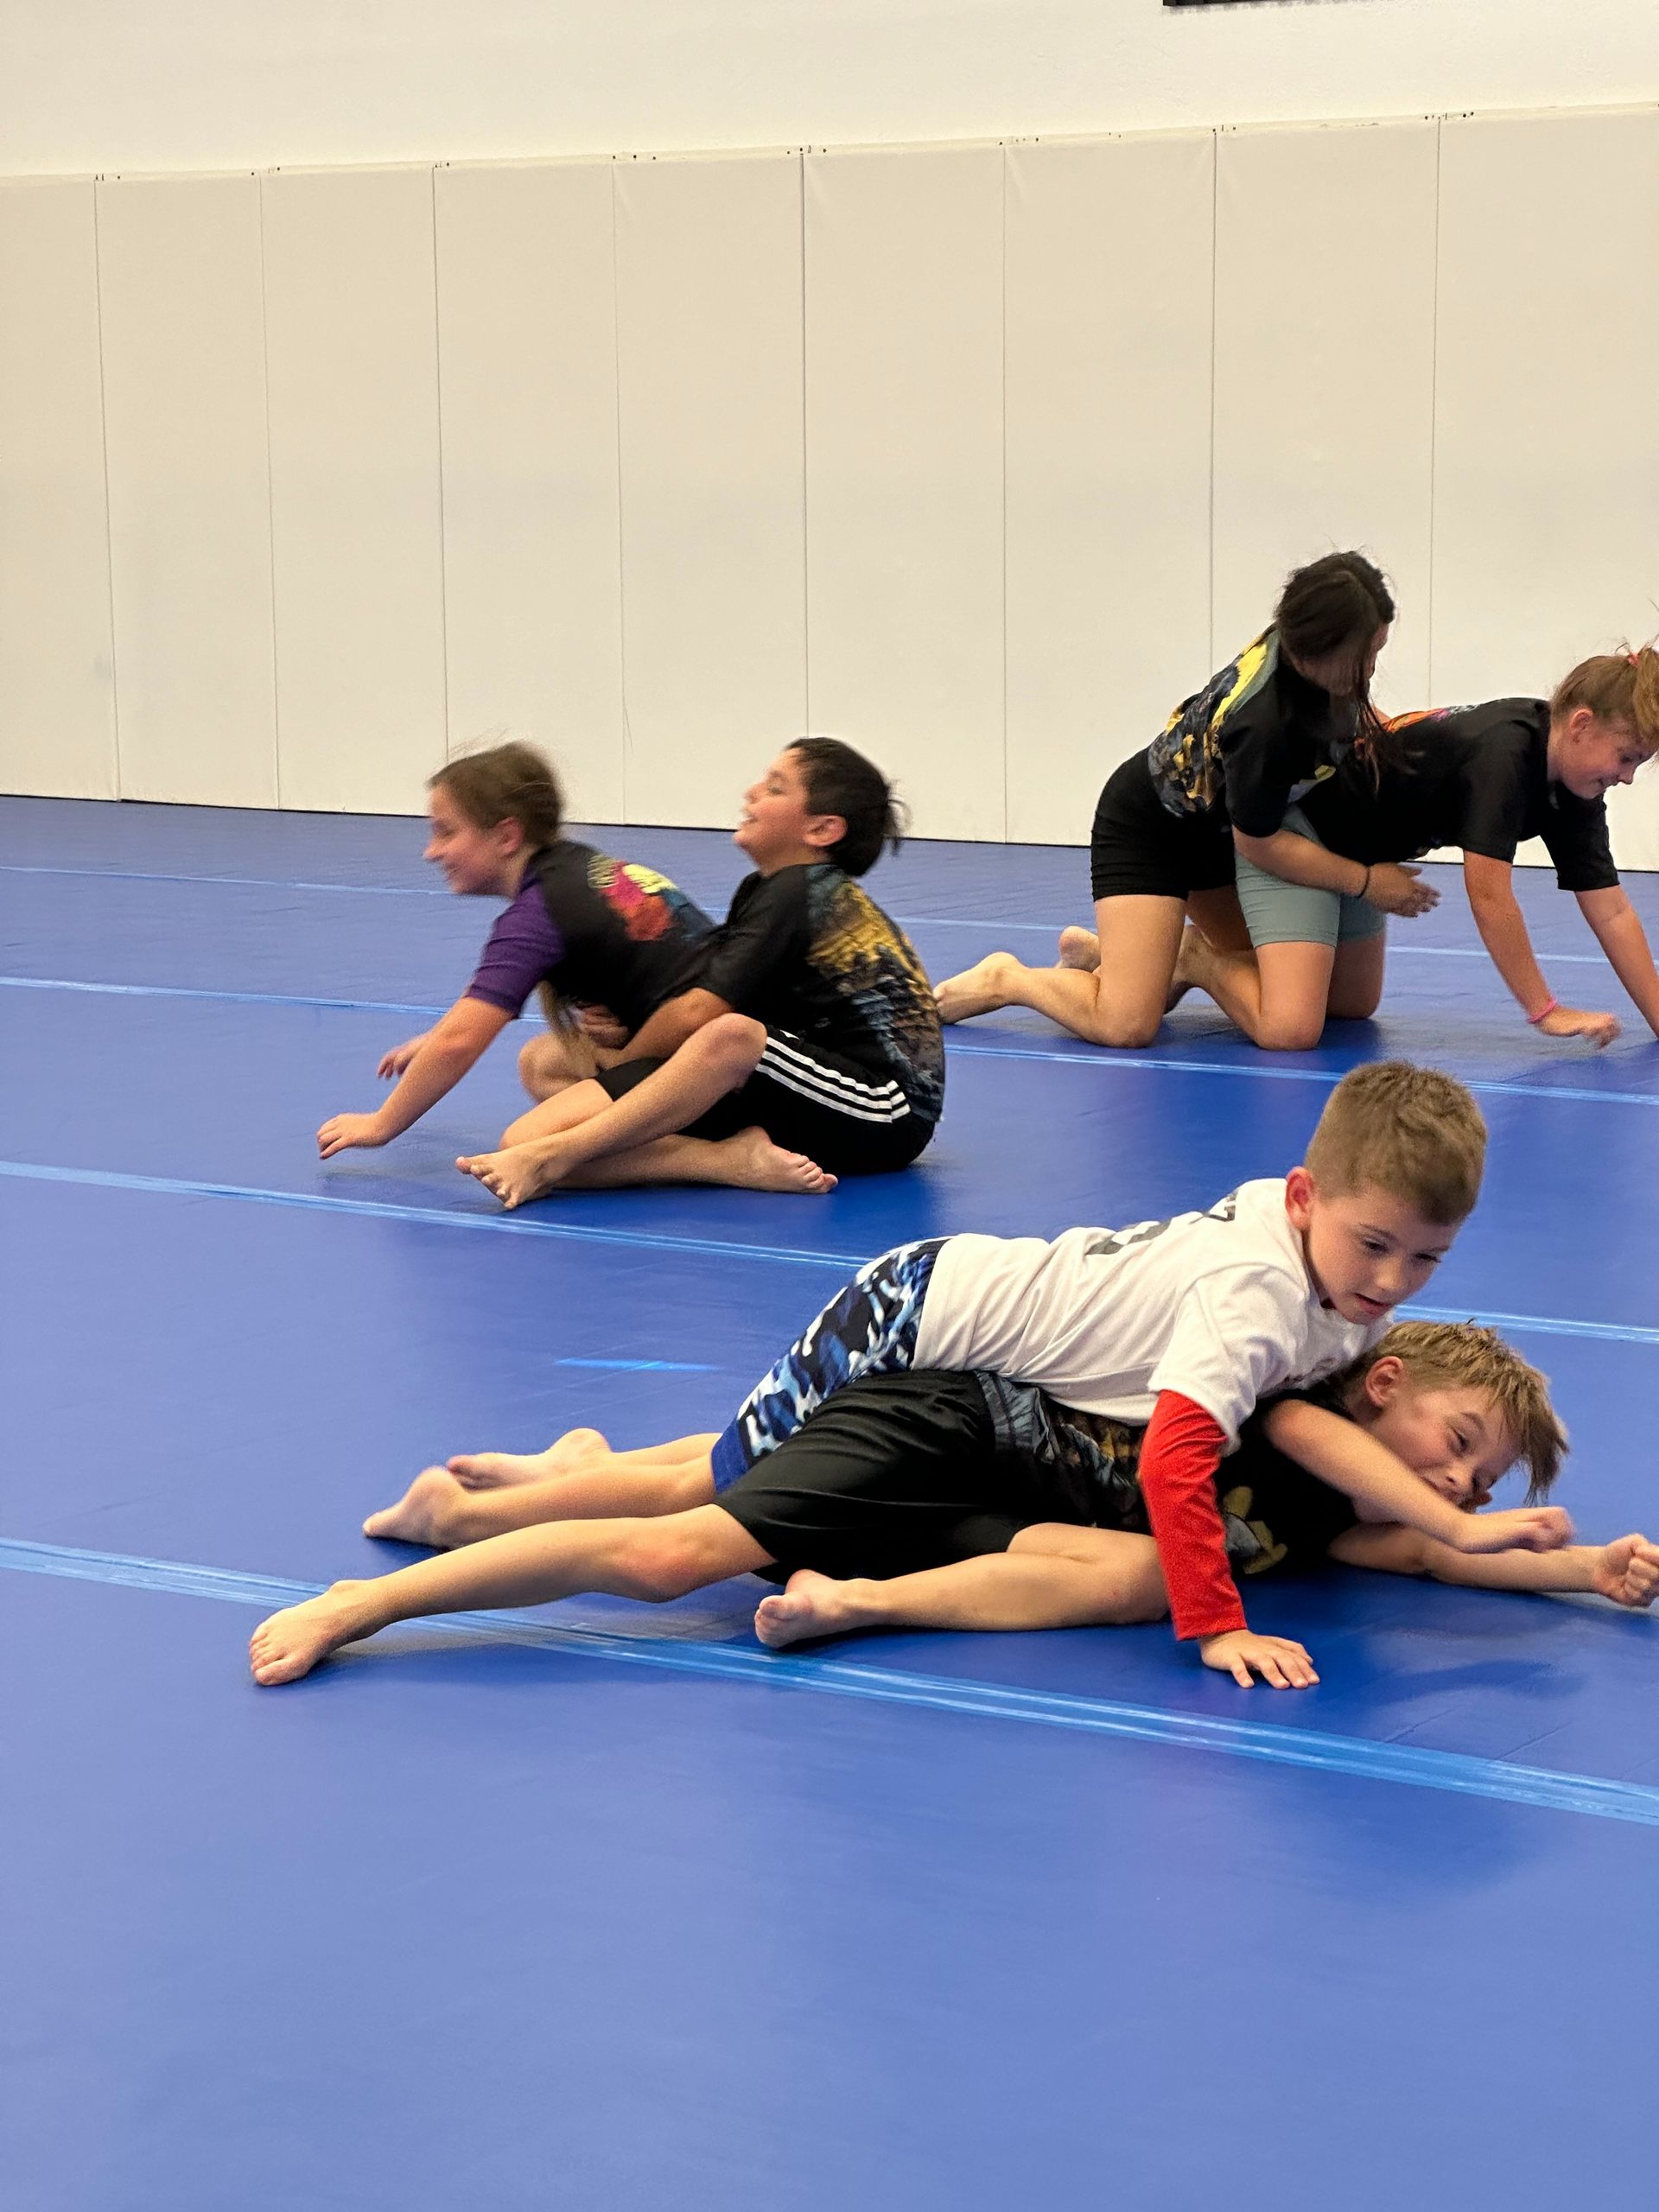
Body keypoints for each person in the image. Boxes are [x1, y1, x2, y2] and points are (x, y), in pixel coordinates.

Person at [249, 1062, 1503, 1689]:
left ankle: (555, 1470)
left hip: (977, 1377)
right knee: (711, 1512)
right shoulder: (1259, 1295)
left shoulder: (1328, 1280)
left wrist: (1488, 1533)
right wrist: (1216, 1622)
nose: (1391, 1281)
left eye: (1425, 1260)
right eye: (1373, 1246)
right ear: (1305, 1201)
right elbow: (1179, 1456)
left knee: (744, 1468)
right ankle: (409, 1571)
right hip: (914, 1323)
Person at [246, 1318, 1604, 1694]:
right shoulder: (1290, 1400)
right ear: (1388, 1384)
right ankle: (373, 1600)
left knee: (1157, 1579)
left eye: (1478, 1482)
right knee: (674, 1554)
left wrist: (1588, 1566)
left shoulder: (1355, 1519)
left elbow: (1433, 1566)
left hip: (977, 1509)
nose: (1455, 1486)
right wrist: (1475, 1522)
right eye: (1459, 1443)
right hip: (942, 1426)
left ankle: (852, 1602)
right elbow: (1397, 1501)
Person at [933, 550, 1436, 1051]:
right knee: (1126, 1026)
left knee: (1288, 988)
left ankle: (1117, 956)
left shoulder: (1306, 651)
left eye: (1378, 649)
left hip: (1217, 832)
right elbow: (1261, 845)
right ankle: (1008, 978)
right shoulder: (1264, 724)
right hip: (1152, 829)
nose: (1372, 668)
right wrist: (1367, 882)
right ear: (1314, 650)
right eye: (1364, 655)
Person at [454, 738, 944, 1204]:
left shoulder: (804, 892)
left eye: (775, 788)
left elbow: (699, 1014)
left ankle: (554, 1155)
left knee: (728, 1037)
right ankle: (719, 1160)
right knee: (545, 1060)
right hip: (799, 1080)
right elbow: (719, 994)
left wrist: (629, 1061)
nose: (751, 793)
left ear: (821, 830)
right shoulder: (765, 890)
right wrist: (630, 1032)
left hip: (886, 1111)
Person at [1178, 645, 1659, 1050]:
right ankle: (1198, 957)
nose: (1627, 776)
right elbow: (1490, 897)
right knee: (1292, 1030)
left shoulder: (1576, 788)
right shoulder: (1505, 757)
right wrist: (1545, 1011)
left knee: (1352, 1007)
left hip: (1360, 849)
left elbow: (1612, 912)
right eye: (1627, 757)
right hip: (1299, 829)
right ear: (1580, 725)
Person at [315, 741, 746, 1166]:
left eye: (446, 832)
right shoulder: (572, 867)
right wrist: (432, 1039)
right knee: (541, 1062)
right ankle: (655, 1127)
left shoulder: (537, 918)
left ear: (506, 835)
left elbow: (461, 1041)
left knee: (526, 1147)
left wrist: (382, 1123)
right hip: (715, 1039)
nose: (432, 851)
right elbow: (484, 996)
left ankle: (715, 1157)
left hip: (714, 1070)